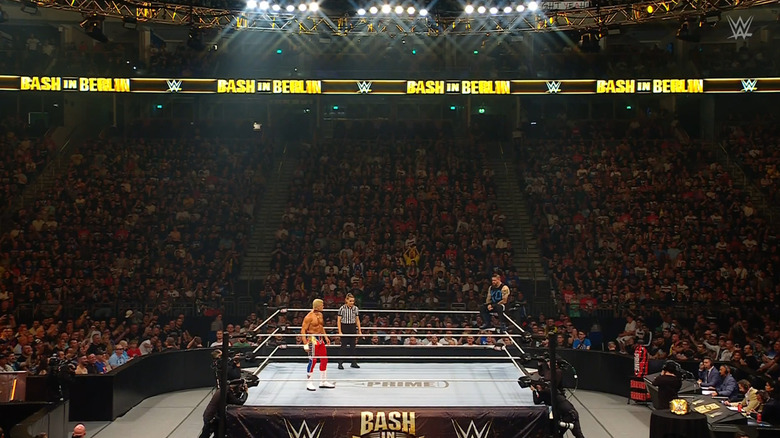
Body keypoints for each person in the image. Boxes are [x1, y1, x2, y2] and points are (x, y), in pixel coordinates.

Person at [301, 298, 335, 391]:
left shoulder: (320, 314)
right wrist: (305, 344)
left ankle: (323, 381)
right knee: (313, 361)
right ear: (317, 306)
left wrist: (326, 337)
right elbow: (303, 330)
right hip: (312, 339)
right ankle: (309, 382)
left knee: (324, 359)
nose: (323, 306)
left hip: (320, 339)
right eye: (322, 305)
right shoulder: (309, 316)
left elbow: (321, 327)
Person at [337, 293, 362, 370]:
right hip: (345, 327)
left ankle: (353, 362)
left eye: (353, 301)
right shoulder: (342, 308)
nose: (352, 303)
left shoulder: (355, 308)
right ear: (346, 300)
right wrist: (340, 331)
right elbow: (338, 321)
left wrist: (359, 331)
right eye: (350, 301)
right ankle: (340, 363)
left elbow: (357, 320)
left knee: (353, 346)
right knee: (343, 346)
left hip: (352, 327)